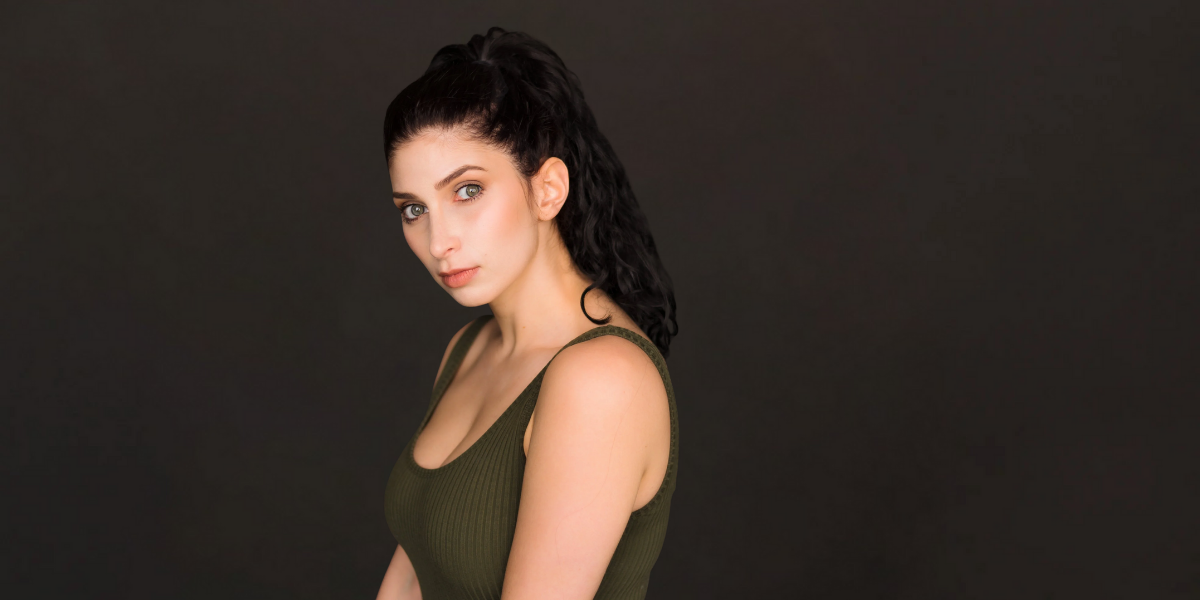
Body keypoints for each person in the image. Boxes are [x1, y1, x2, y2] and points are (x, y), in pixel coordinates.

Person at [376, 27, 680, 600]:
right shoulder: (469, 349)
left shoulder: (602, 380)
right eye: (414, 209)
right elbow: (414, 572)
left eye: (467, 191)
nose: (438, 241)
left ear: (547, 190)